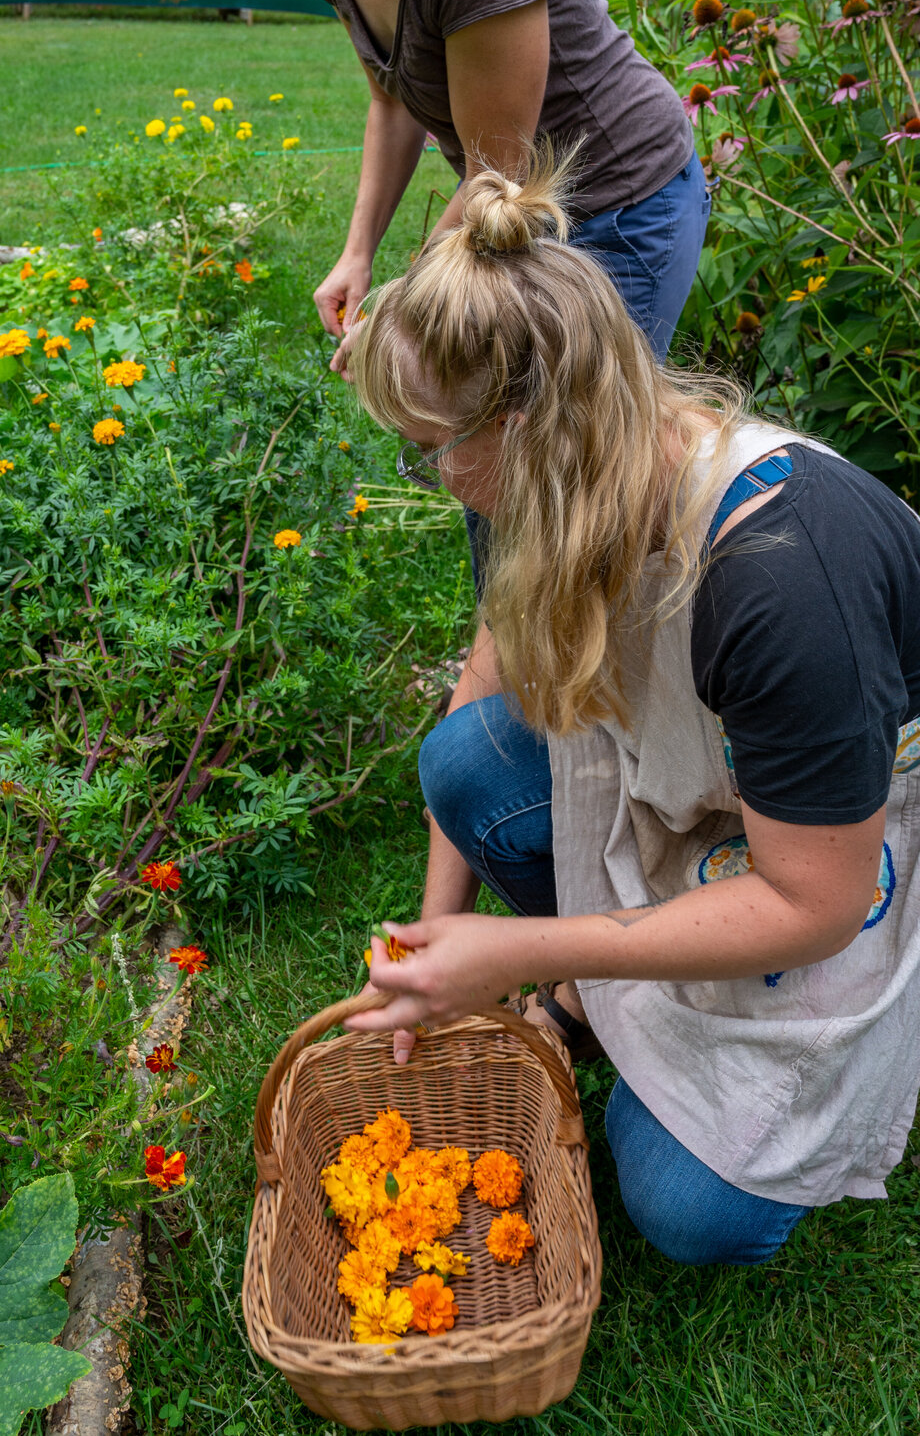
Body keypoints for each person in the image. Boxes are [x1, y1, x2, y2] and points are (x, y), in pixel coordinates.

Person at [340, 156, 920, 1268]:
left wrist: (517, 958)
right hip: (723, 804)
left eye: (431, 450)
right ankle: (604, 994)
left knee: (687, 1207)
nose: (431, 473)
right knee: (467, 762)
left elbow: (818, 901)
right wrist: (427, 947)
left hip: (851, 855)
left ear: (528, 424)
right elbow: (479, 693)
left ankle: (634, 1011)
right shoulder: (573, 475)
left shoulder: (784, 574)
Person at [162, 0, 709, 765]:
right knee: (491, 457)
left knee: (574, 472)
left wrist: (406, 313)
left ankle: (611, 725)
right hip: (512, 206)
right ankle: (514, 708)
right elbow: (394, 94)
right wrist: (359, 253)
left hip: (612, 209)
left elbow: (496, 179)